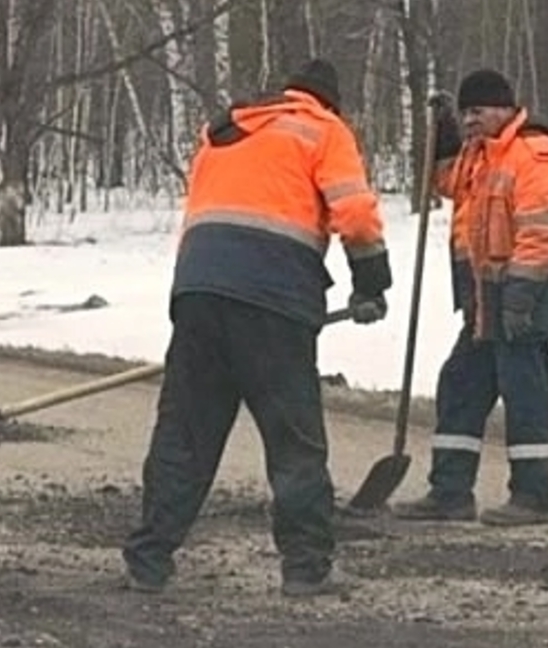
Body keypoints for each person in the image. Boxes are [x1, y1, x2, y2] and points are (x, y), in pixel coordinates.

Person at [121, 59, 393, 598]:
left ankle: (148, 560)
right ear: (329, 101)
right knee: (293, 440)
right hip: (273, 300)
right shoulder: (323, 129)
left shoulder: (225, 131)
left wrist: (203, 293)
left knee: (185, 434)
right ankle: (306, 567)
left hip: (198, 291)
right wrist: (371, 284)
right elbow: (357, 215)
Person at [392, 67, 548, 527]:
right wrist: (443, 137)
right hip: (486, 299)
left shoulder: (532, 155)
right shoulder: (479, 156)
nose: (470, 120)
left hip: (523, 299)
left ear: (504, 109)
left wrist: (521, 295)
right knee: (461, 385)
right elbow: (447, 182)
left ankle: (535, 497)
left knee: (525, 394)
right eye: (465, 113)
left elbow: (544, 231)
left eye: (477, 111)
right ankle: (450, 492)